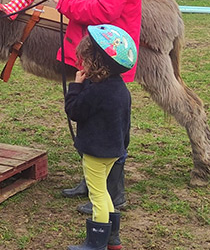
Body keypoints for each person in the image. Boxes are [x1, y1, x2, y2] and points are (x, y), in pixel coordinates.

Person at [53, 0, 141, 216]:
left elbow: (105, 9)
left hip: (108, 59)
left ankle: (112, 194)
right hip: (97, 56)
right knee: (92, 121)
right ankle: (93, 183)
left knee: (109, 127)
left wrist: (65, 3)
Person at [65, 24, 136, 250]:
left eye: (84, 60)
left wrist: (76, 86)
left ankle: (96, 244)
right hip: (114, 151)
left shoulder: (95, 91)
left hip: (96, 153)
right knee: (104, 192)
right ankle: (113, 240)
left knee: (97, 197)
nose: (81, 65)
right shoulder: (120, 88)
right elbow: (126, 121)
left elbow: (74, 111)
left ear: (94, 63)